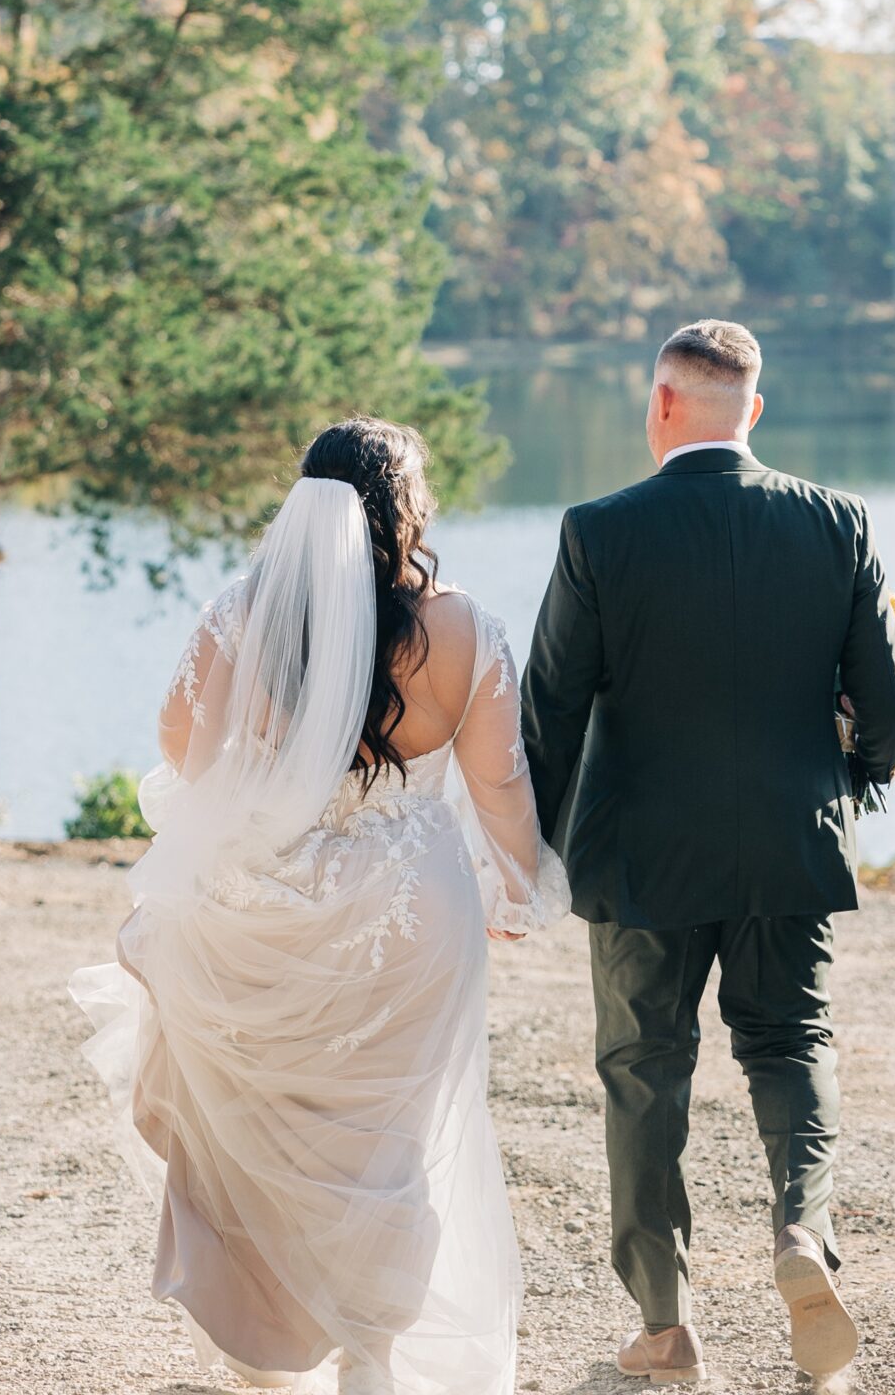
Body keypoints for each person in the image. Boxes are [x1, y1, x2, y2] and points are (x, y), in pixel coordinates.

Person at [73, 415, 567, 1395]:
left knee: (265, 1126)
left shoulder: (239, 615)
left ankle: (270, 1346)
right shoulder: (462, 627)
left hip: (260, 906)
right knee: (390, 1139)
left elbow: (179, 746)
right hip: (409, 917)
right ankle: (371, 1356)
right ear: (406, 510)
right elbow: (503, 786)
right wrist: (521, 889)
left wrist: (282, 777)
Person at [521, 320, 895, 1387]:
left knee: (644, 1073)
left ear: (659, 405)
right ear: (754, 407)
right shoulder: (834, 521)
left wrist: (528, 850)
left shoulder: (597, 532)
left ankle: (665, 1325)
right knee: (789, 1042)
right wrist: (853, 776)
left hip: (640, 859)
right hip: (787, 845)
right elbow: (885, 701)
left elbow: (549, 710)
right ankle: (800, 1234)